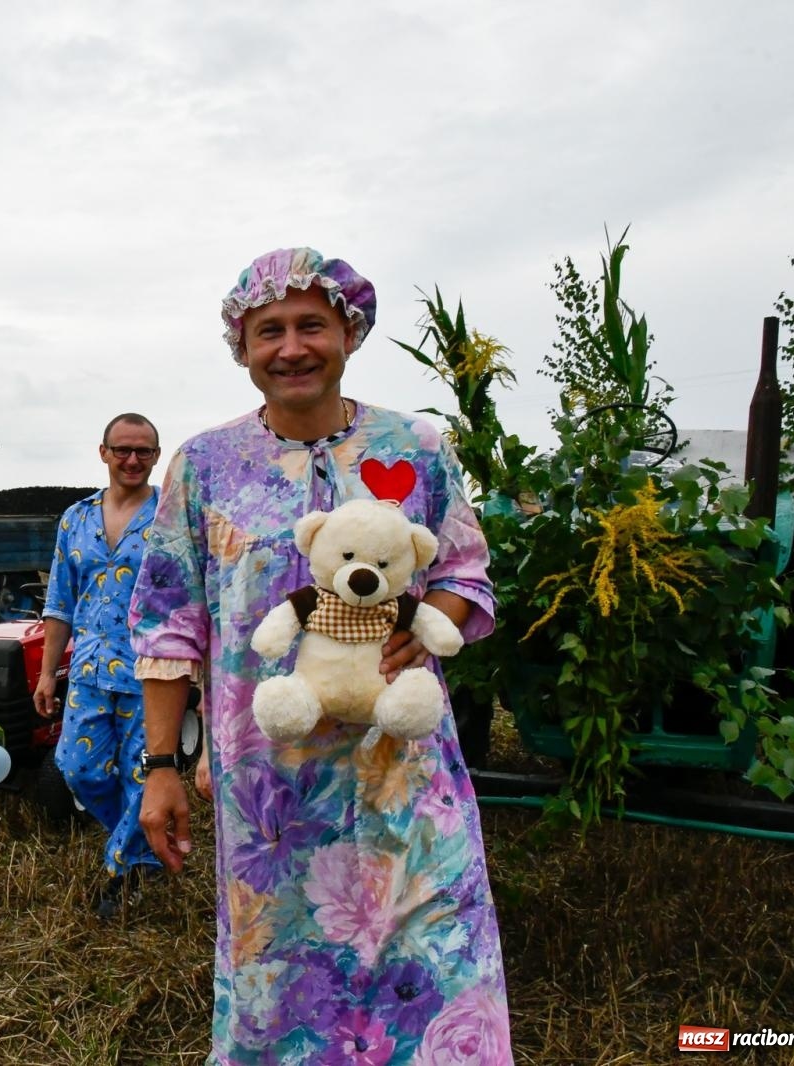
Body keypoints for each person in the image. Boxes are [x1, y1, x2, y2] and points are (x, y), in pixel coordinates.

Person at [131, 248, 513, 1063]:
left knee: (437, 966)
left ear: (350, 332)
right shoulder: (201, 468)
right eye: (270, 330)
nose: (292, 347)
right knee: (283, 993)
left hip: (404, 777)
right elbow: (169, 621)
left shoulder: (415, 446)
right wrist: (162, 764)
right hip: (273, 795)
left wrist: (430, 617)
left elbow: (465, 569)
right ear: (243, 347)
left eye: (313, 325)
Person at [33, 413, 163, 918]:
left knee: (141, 775)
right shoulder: (76, 519)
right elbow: (59, 602)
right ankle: (141, 842)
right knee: (77, 769)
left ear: (155, 456)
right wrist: (48, 672)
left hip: (152, 673)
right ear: (103, 452)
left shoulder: (169, 516)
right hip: (88, 670)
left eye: (144, 452)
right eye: (123, 449)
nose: (133, 460)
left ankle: (120, 871)